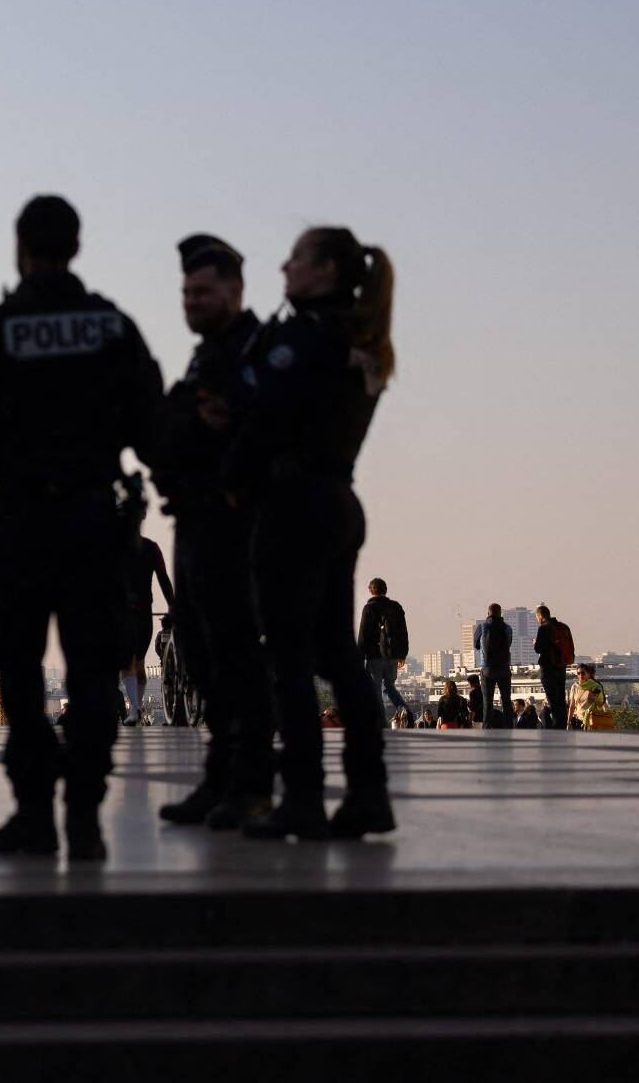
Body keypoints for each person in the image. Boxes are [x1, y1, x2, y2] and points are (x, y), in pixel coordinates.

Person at [0, 194, 163, 862]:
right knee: (94, 670)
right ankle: (86, 818)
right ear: (77, 245)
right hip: (96, 520)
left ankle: (35, 813)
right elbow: (153, 427)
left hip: (24, 520)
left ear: (19, 247)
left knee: (20, 666)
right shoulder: (113, 328)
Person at [224, 226, 396, 840]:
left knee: (290, 658)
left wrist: (233, 482)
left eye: (296, 258)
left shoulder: (304, 339)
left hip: (293, 503)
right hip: (337, 500)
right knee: (338, 656)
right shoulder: (359, 338)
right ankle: (368, 793)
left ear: (325, 270)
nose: (284, 267)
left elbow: (266, 421)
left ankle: (301, 797)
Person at [149, 235, 276, 827]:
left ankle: (250, 781)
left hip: (235, 523)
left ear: (235, 290)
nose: (191, 302)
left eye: (203, 291)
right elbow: (171, 428)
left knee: (232, 653)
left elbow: (255, 434)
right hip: (194, 519)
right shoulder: (208, 356)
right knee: (199, 654)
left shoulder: (255, 351)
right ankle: (221, 775)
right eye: (186, 292)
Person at [119, 533, 174, 724]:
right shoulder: (151, 548)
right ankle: (137, 707)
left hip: (124, 612)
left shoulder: (115, 546)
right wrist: (172, 605)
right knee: (138, 661)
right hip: (144, 613)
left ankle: (135, 708)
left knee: (129, 662)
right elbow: (163, 578)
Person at [357, 579, 412, 722]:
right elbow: (403, 632)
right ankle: (403, 708)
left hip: (374, 657)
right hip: (393, 656)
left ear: (370, 590)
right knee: (388, 686)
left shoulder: (369, 608)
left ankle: (380, 722)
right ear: (385, 590)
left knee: (375, 691)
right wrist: (402, 654)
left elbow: (363, 636)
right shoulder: (396, 607)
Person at [533, 605, 574, 730]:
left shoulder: (544, 628)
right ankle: (562, 725)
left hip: (548, 668)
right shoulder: (564, 627)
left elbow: (538, 648)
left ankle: (557, 728)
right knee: (561, 699)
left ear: (540, 616)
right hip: (561, 668)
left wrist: (535, 643)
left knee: (553, 701)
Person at [473, 603, 514, 725]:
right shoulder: (508, 628)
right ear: (500, 613)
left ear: (488, 613)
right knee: (506, 701)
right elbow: (509, 644)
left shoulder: (482, 627)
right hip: (504, 668)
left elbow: (476, 645)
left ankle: (487, 728)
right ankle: (509, 727)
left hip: (487, 668)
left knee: (488, 702)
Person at [570, 664, 614, 731]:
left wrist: (593, 697)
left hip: (591, 720)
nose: (581, 675)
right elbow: (572, 706)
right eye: (578, 673)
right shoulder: (575, 686)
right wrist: (568, 722)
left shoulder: (596, 686)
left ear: (588, 674)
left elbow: (601, 704)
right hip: (577, 720)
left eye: (583, 673)